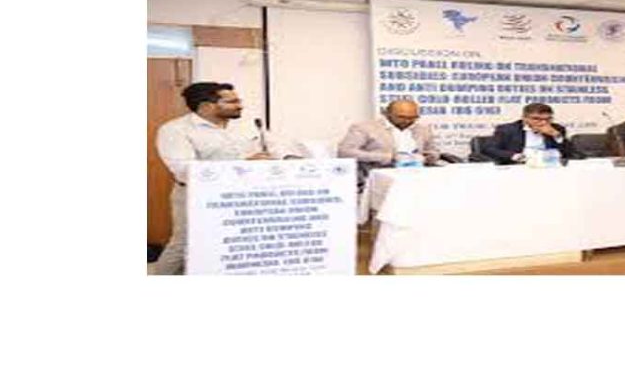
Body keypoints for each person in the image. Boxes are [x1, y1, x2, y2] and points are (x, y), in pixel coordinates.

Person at [153, 81, 302, 275]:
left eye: (238, 100)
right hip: (197, 194)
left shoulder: (247, 124)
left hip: (247, 193)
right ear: (206, 106)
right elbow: (184, 169)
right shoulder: (175, 130)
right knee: (185, 243)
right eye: (232, 102)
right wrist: (242, 164)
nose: (240, 105)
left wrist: (290, 158)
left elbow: (274, 146)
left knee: (237, 242)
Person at [337, 99, 441, 188]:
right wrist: (387, 157)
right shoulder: (365, 128)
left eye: (412, 118)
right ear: (387, 114)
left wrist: (431, 156)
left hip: (417, 175)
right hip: (380, 177)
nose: (407, 121)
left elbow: (433, 150)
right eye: (401, 117)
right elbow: (345, 152)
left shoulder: (422, 129)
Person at [483, 103, 585, 164]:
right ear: (524, 118)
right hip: (520, 166)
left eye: (548, 119)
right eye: (536, 119)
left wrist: (557, 136)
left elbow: (571, 153)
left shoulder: (557, 129)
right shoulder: (507, 129)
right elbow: (489, 149)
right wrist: (515, 156)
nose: (543, 122)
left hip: (549, 166)